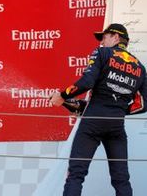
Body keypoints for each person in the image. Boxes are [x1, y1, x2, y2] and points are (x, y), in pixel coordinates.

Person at [50, 23, 147, 196]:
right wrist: (117, 110)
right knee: (121, 179)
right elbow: (144, 104)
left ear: (116, 37)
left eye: (104, 37)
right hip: (116, 125)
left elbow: (87, 83)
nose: (102, 41)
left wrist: (62, 96)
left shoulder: (102, 53)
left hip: (93, 122)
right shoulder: (140, 68)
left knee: (76, 175)